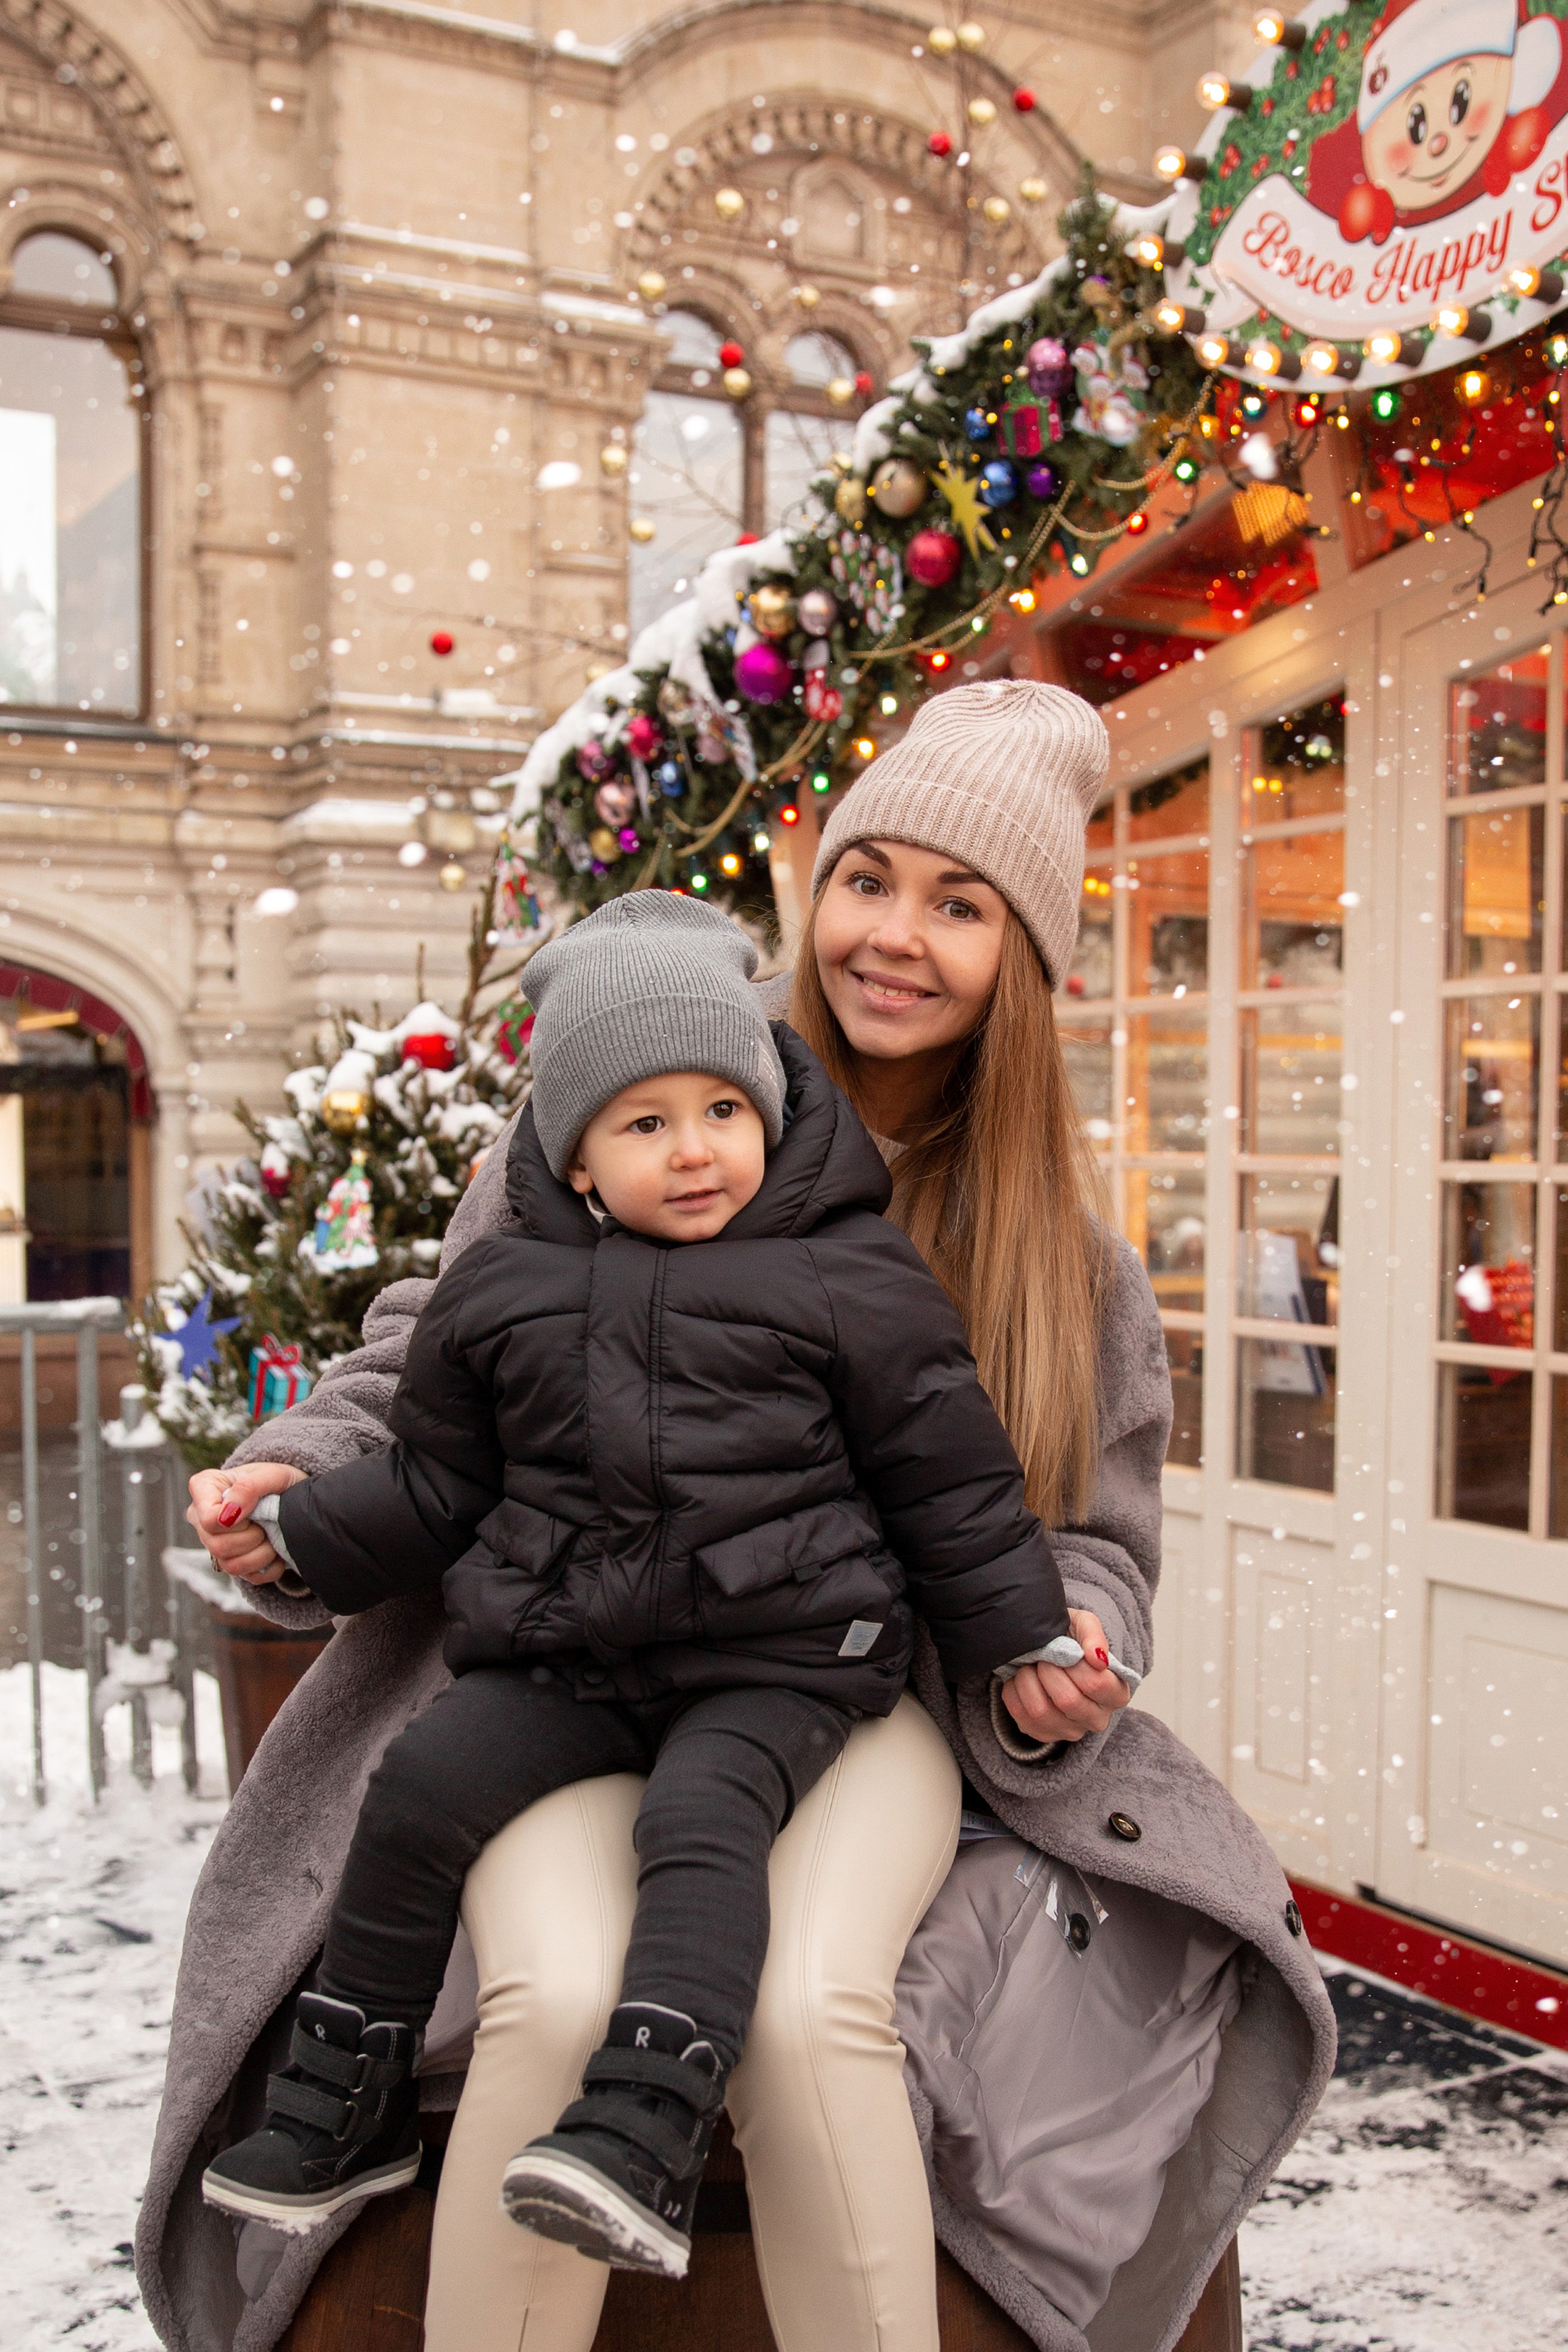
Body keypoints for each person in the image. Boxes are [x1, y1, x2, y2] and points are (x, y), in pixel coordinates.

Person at [141, 680, 1335, 2352]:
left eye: (960, 903)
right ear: (814, 890)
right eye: (869, 880)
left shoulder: (1065, 1267)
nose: (895, 936)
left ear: (1025, 960)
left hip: (845, 1693)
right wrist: (298, 1475)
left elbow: (1088, 1535)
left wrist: (1073, 1640)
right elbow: (435, 1360)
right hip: (564, 1669)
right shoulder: (621, 1109)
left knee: (804, 2008)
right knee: (548, 1999)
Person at [197, 890, 1095, 2274]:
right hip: (571, 1650)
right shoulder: (502, 1290)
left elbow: (949, 1479)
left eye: (722, 1111)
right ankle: (345, 2094)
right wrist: (305, 1533)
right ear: (569, 1157)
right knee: (421, 1785)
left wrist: (1024, 1637)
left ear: (767, 1110)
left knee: (700, 1821)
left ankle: (644, 2118)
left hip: (785, 1654)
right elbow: (439, 1481)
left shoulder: (846, 1270)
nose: (694, 1152)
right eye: (644, 1123)